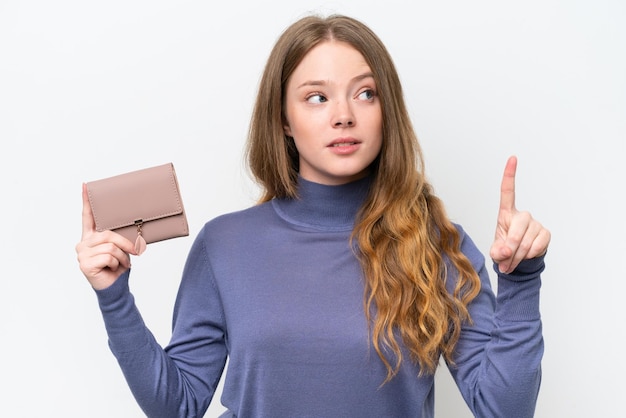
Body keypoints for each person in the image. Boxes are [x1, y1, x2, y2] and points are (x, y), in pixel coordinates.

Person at [76, 14, 550, 418]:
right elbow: (178, 405)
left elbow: (502, 408)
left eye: (366, 93)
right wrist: (114, 297)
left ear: (387, 109)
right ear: (283, 118)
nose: (343, 115)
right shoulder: (225, 244)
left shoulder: (438, 244)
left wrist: (521, 280)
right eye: (317, 97)